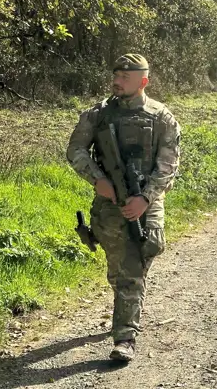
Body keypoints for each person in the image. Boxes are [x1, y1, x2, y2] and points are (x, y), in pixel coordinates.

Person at [66, 54, 181, 363]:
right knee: (119, 271)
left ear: (143, 81)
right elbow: (75, 149)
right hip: (109, 203)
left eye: (125, 77)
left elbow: (168, 165)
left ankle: (125, 337)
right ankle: (125, 305)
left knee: (137, 262)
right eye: (116, 75)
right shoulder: (97, 115)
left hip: (147, 202)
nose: (117, 81)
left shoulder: (162, 117)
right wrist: (97, 178)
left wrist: (145, 198)